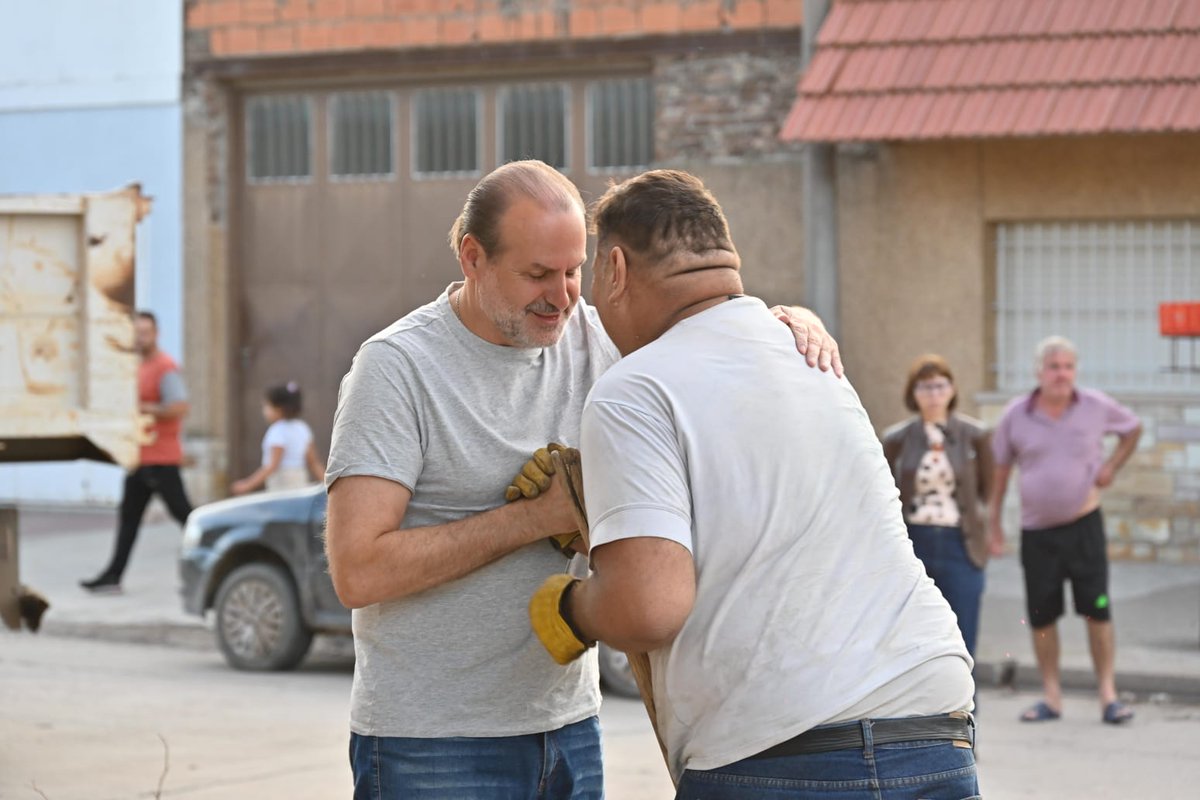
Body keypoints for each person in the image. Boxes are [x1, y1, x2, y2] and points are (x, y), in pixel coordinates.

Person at [323, 159, 841, 798]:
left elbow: (714, 340)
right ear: (473, 257)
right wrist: (533, 518)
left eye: (573, 271)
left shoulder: (597, 336)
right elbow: (358, 571)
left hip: (568, 729)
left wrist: (787, 324)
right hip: (431, 744)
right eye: (537, 274)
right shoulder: (396, 368)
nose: (563, 295)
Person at [528, 169, 977, 797]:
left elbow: (647, 607)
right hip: (932, 721)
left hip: (784, 749)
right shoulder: (809, 354)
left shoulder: (634, 387)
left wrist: (570, 608)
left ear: (618, 269)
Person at [988, 335, 1141, 725]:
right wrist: (994, 526)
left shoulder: (1095, 406)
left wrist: (1111, 468)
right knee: (1041, 617)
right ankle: (1051, 697)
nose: (1062, 374)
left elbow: (1133, 428)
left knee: (1098, 611)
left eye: (1068, 366)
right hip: (1037, 535)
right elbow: (1000, 473)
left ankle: (1108, 695)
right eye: (1054, 367)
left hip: (1085, 528)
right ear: (1038, 372)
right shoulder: (1016, 414)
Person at [882, 354, 993, 658]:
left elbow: (987, 489)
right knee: (912, 636)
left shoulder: (975, 435)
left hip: (961, 542)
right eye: (925, 387)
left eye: (940, 386)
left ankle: (965, 692)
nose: (933, 394)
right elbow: (885, 492)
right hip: (914, 542)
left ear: (952, 389)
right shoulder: (897, 438)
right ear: (913, 393)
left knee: (962, 633)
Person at [81, 311, 192, 592]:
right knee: (129, 518)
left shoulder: (165, 367)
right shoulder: (135, 366)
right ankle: (113, 575)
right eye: (137, 333)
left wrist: (143, 408)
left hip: (162, 459)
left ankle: (218, 556)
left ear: (156, 334)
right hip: (139, 458)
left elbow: (179, 406)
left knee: (185, 515)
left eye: (145, 333)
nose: (140, 338)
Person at [230, 382, 324, 495]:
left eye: (267, 406)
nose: (264, 411)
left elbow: (272, 465)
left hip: (282, 484)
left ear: (278, 409)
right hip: (300, 481)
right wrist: (327, 483)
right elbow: (313, 462)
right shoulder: (302, 428)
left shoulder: (277, 431)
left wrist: (247, 485)